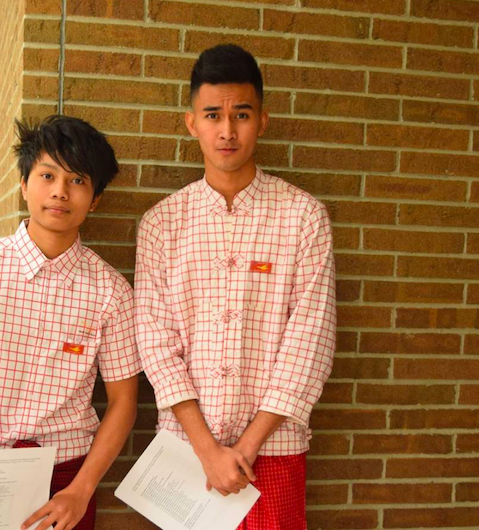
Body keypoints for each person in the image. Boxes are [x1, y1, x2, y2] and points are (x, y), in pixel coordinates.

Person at [135, 44, 336, 530]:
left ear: (262, 121)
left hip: (275, 447)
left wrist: (245, 447)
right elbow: (156, 344)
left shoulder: (302, 216)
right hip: (186, 451)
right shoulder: (162, 224)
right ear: (192, 124)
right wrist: (208, 449)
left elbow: (310, 340)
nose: (227, 130)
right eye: (213, 115)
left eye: (241, 114)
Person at [0, 115, 140, 530]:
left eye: (78, 181)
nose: (60, 192)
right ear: (24, 183)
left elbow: (123, 402)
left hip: (68, 479)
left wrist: (81, 491)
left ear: (95, 199)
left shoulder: (111, 290)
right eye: (47, 175)